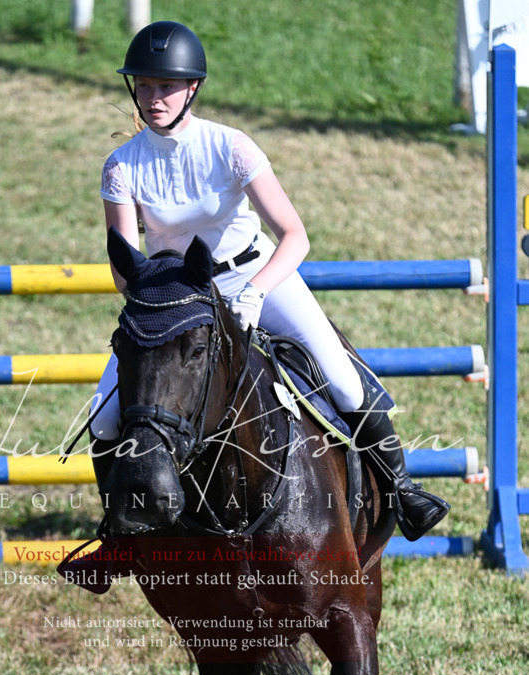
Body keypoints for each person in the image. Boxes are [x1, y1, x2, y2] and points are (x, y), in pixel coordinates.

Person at [92, 20, 449, 544]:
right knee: (104, 419)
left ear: (193, 88)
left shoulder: (231, 147)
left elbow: (295, 236)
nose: (153, 98)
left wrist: (255, 291)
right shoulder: (121, 166)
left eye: (166, 86)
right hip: (178, 297)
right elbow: (125, 269)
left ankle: (401, 489)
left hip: (256, 274)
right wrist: (164, 300)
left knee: (342, 380)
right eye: (144, 86)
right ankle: (116, 534)